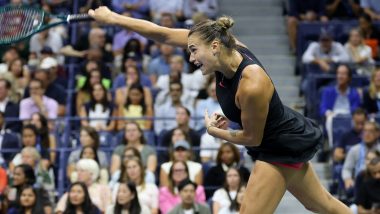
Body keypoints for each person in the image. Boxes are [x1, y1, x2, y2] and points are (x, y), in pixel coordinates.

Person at [88, 6, 351, 213]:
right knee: (321, 205)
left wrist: (215, 132)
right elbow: (163, 33)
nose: (190, 58)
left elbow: (252, 138)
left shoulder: (252, 83)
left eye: (193, 52)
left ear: (214, 47)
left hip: (277, 148)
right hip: (280, 138)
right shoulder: (222, 52)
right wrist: (114, 18)